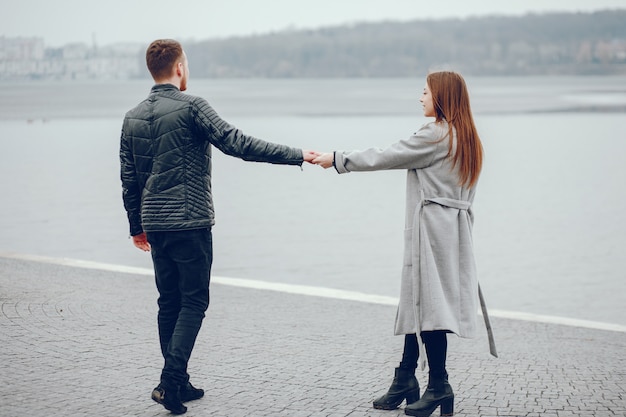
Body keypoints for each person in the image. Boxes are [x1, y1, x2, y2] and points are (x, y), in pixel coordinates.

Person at [120, 39, 318, 415]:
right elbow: (238, 143)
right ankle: (169, 381)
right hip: (190, 222)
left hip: (156, 224)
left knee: (169, 302)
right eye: (187, 64)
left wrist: (136, 227)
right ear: (179, 67)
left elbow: (128, 178)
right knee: (194, 301)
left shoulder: (132, 116)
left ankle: (179, 383)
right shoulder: (192, 106)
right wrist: (296, 154)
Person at [313, 71, 496, 417]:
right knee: (420, 303)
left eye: (425, 92)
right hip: (455, 229)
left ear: (441, 96)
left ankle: (439, 385)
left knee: (428, 307)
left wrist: (337, 159)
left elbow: (388, 155)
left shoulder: (436, 134)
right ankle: (405, 378)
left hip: (431, 229)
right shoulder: (467, 136)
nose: (420, 97)